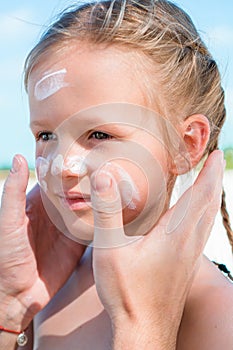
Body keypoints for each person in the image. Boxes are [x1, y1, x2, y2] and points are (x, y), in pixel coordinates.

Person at [0, 0, 233, 349]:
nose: (63, 166)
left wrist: (145, 327)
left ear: (186, 144)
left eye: (99, 135)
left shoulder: (216, 312)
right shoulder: (48, 286)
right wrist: (9, 310)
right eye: (46, 135)